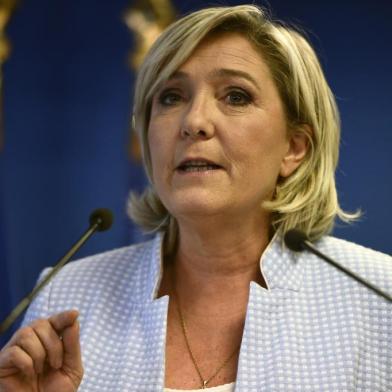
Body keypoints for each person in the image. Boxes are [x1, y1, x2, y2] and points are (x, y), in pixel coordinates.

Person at [0, 4, 391, 392]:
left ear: (294, 148)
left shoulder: (378, 297)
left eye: (236, 96)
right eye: (171, 97)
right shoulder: (66, 293)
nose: (194, 122)